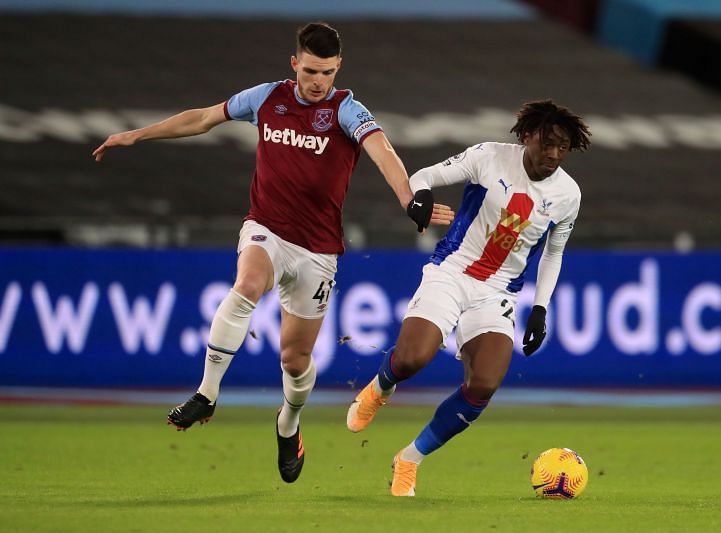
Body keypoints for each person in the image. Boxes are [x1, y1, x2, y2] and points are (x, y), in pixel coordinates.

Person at [92, 21, 454, 484]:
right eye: (308, 71)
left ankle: (288, 423)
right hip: (266, 230)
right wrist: (137, 135)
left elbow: (381, 150)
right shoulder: (267, 97)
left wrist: (408, 199)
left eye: (325, 72)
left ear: (338, 67)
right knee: (246, 284)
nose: (316, 81)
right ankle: (206, 393)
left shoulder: (346, 109)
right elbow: (202, 118)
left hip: (318, 251)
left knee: (294, 360)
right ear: (293, 64)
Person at [346, 100, 591, 496]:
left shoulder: (568, 195)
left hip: (499, 292)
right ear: (528, 136)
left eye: (563, 148)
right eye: (547, 143)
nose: (553, 154)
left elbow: (554, 252)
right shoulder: (488, 157)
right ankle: (381, 387)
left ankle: (409, 459)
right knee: (412, 358)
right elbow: (425, 176)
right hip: (452, 272)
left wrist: (541, 307)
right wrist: (418, 199)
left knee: (484, 385)